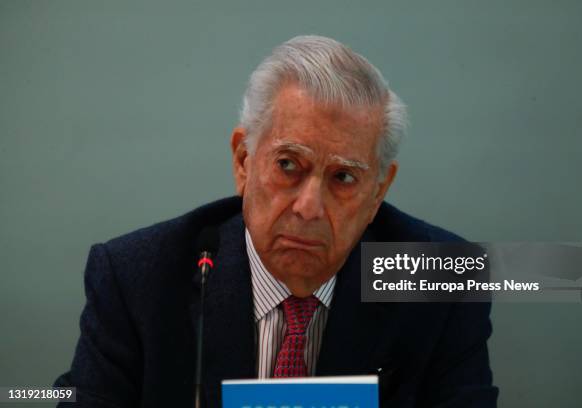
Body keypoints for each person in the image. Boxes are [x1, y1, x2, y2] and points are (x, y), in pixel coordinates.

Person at [55, 35, 498, 407]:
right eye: (288, 166)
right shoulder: (137, 279)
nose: (309, 207)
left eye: (344, 177)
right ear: (244, 161)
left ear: (378, 191)